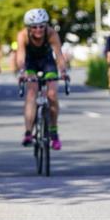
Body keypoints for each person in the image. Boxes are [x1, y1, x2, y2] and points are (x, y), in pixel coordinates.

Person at [15, 8, 69, 150]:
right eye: (34, 27)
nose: (38, 30)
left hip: (47, 63)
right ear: (29, 27)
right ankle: (28, 132)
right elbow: (20, 55)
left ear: (46, 25)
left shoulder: (51, 33)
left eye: (41, 26)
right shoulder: (22, 35)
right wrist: (22, 72)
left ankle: (54, 133)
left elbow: (59, 55)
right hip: (30, 63)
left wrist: (63, 71)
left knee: (52, 95)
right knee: (31, 93)